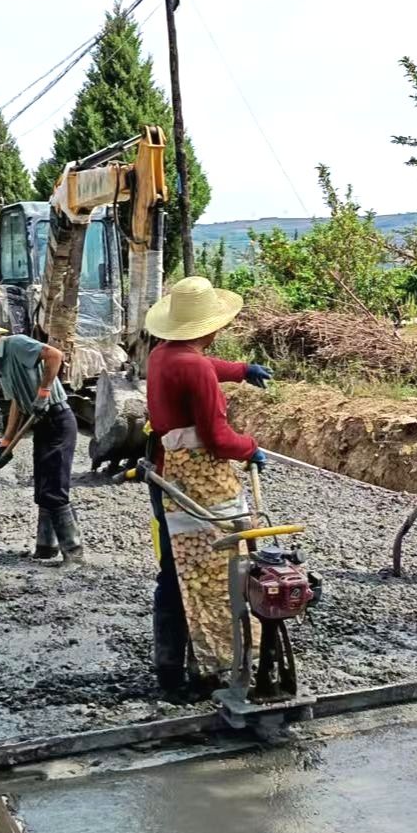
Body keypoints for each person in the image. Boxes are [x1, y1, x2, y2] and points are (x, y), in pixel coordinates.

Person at [142, 275, 275, 699]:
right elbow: (218, 438)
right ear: (211, 326)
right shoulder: (194, 367)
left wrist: (240, 371)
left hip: (166, 473)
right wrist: (250, 448)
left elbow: (200, 366)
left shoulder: (162, 354)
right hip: (196, 482)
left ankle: (171, 667)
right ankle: (207, 665)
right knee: (210, 571)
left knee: (175, 568)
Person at [0, 310, 83, 566]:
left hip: (58, 420)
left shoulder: (16, 344)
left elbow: (54, 355)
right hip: (42, 425)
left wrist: (43, 392)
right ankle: (46, 547)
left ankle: (73, 552)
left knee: (54, 489)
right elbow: (16, 402)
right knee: (43, 487)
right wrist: (6, 442)